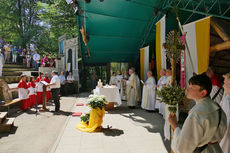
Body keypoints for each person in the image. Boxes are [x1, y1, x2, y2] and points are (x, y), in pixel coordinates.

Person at [168, 74, 227, 153]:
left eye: (192, 87)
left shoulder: (197, 114)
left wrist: (175, 126)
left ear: (203, 93)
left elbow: (183, 148)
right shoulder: (218, 109)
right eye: (188, 86)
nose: (187, 89)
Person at [219, 73, 230, 153]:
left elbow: (226, 125)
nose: (223, 86)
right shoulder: (227, 98)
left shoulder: (228, 101)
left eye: (225, 83)